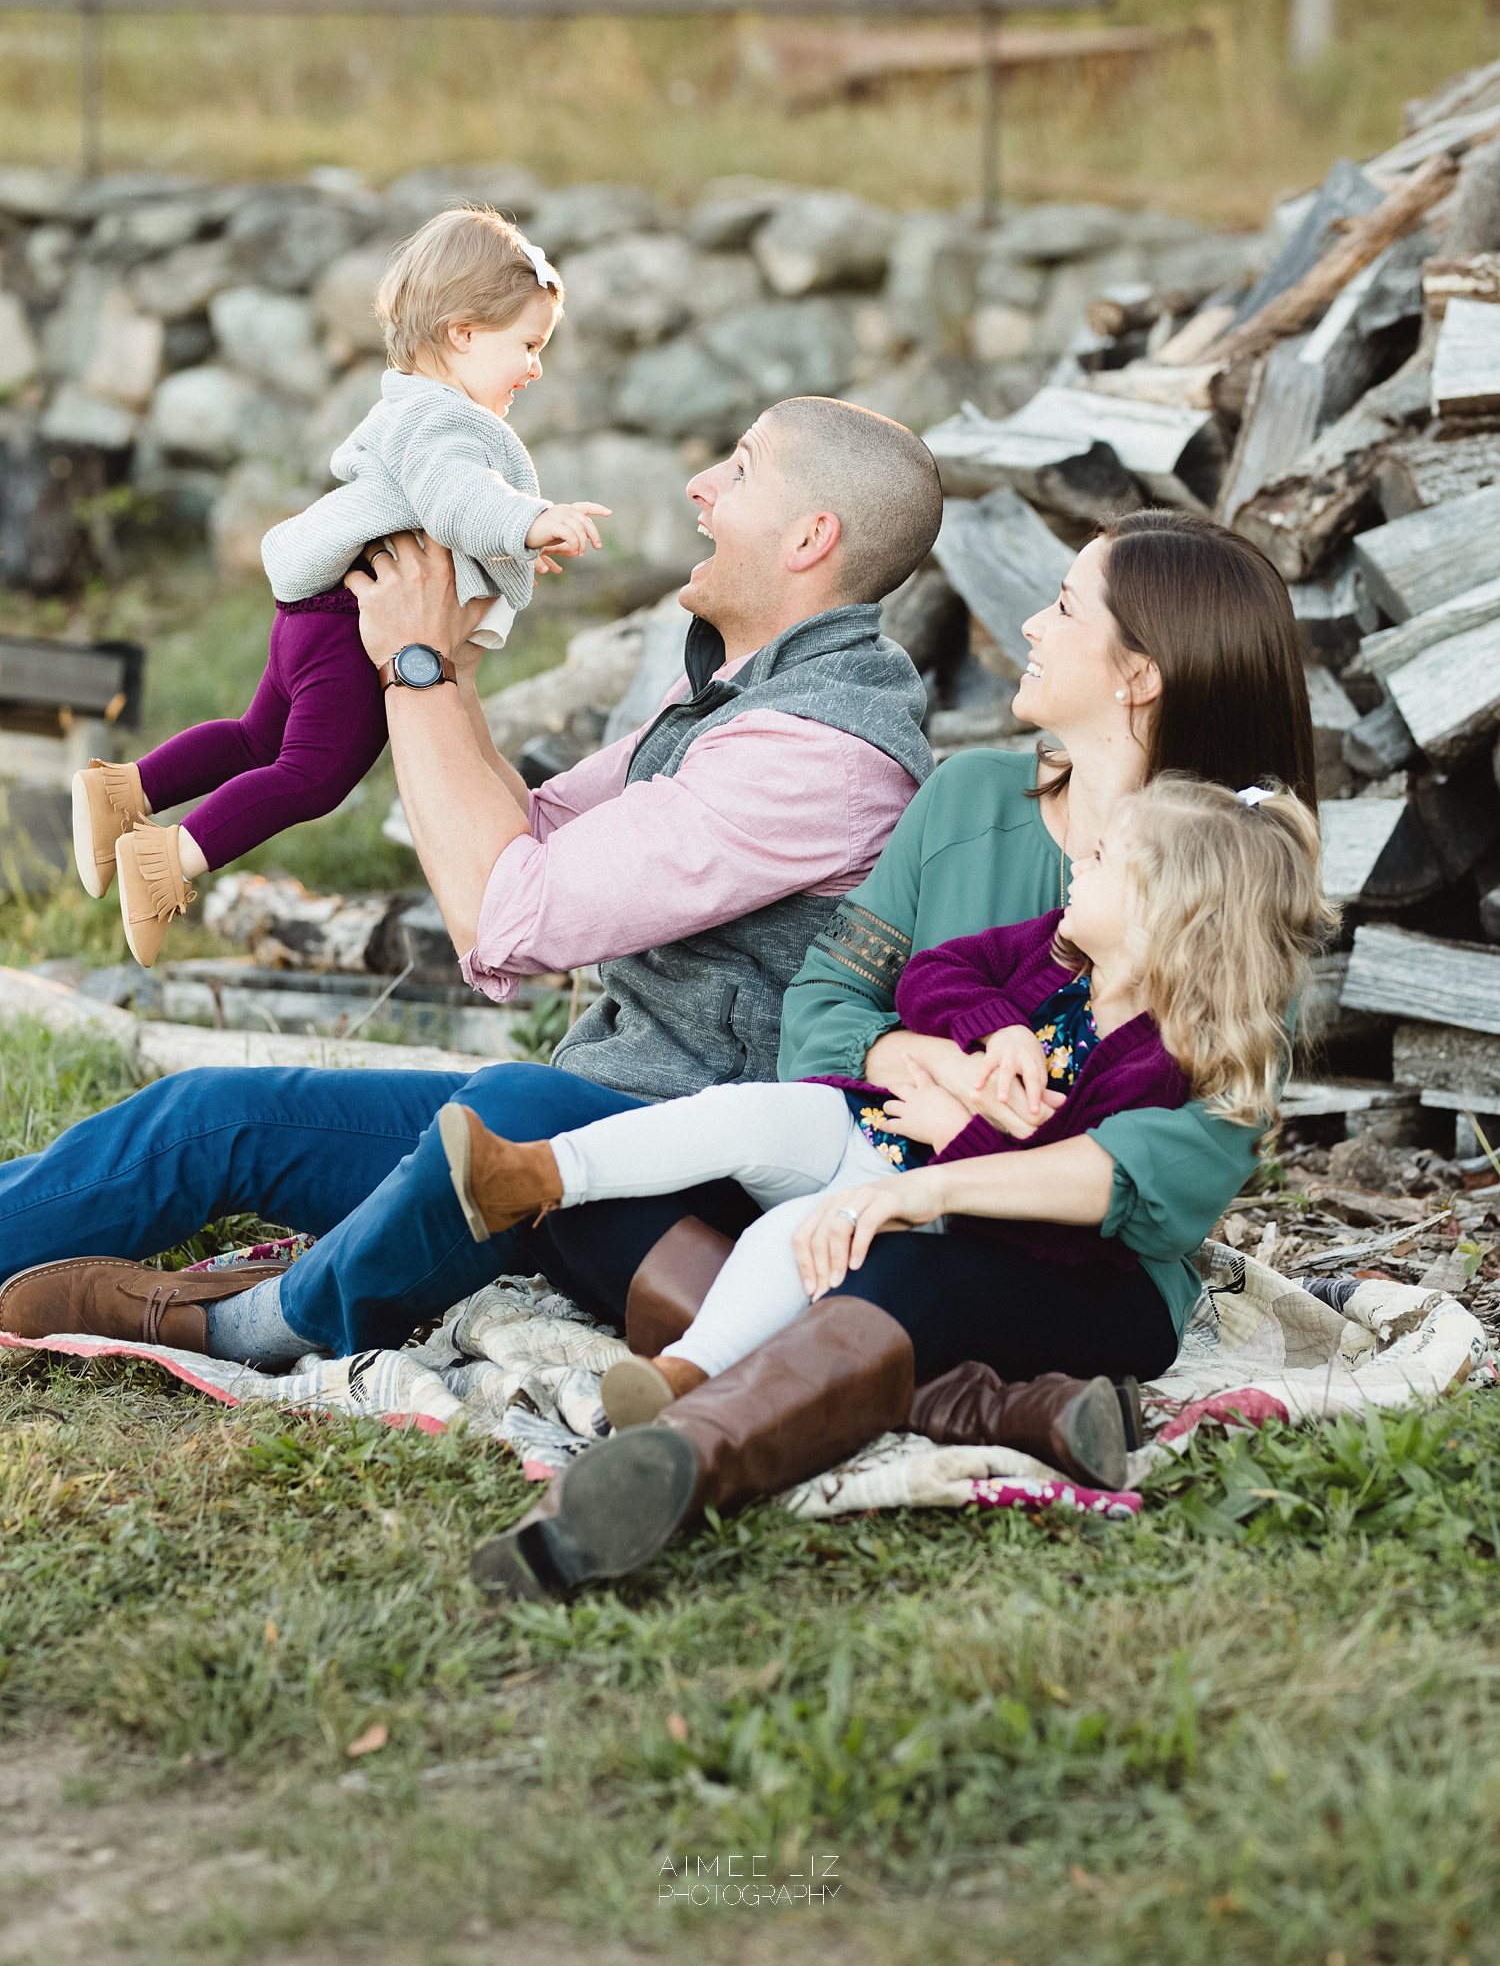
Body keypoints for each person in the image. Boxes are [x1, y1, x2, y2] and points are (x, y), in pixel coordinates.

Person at [466, 513, 1323, 1603]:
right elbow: (835, 997)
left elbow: (1157, 1181)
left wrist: (923, 1193)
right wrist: (918, 1059)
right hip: (881, 1156)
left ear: (1139, 674)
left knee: (894, 1265)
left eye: (1064, 606)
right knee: (601, 1188)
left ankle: (666, 1469)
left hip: (1078, 1270)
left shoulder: (1222, 891)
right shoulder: (970, 800)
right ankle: (980, 1405)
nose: (1030, 623)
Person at [0, 397, 943, 1365]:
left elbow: (510, 918)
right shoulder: (754, 697)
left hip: (689, 1182)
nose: (700, 487)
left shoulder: (820, 753)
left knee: (510, 1107)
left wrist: (414, 668)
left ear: (810, 537)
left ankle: (248, 1324)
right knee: (216, 1119)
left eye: (739, 470)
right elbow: (537, 829)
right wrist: (445, 655)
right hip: (583, 1114)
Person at [442, 776, 1328, 1498]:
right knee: (749, 1113)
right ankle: (539, 1171)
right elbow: (933, 975)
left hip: (958, 1215)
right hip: (878, 1129)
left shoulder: (1152, 1062)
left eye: (1101, 862)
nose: (1077, 867)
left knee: (791, 1240)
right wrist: (997, 1027)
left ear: (1158, 916)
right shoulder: (1058, 962)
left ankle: (687, 1374)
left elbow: (1058, 1208)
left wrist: (963, 1133)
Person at [71, 205, 609, 968]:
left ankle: (122, 793)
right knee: (311, 778)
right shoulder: (447, 423)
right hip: (357, 629)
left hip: (317, 615)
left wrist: (503, 545)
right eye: (527, 345)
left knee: (258, 740)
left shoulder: (411, 407)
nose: (535, 367)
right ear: (462, 333)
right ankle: (166, 862)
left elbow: (444, 511)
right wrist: (529, 522)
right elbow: (457, 496)